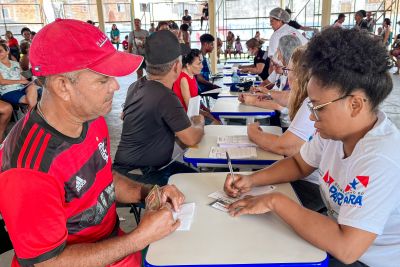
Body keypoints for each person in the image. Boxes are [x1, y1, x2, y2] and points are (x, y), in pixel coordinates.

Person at [0, 18, 185, 267]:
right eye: (102, 79)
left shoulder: (90, 117)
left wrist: (149, 192)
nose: (116, 85)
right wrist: (139, 238)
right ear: (63, 86)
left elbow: (102, 178)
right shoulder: (28, 168)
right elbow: (47, 263)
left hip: (115, 248)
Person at [224, 27, 399, 267]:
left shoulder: (380, 157)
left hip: (365, 260)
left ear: (355, 105)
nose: (312, 116)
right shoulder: (334, 133)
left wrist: (275, 201)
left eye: (318, 107)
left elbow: (347, 248)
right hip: (335, 236)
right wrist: (252, 180)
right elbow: (299, 163)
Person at [114, 30, 205, 186]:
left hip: (123, 172)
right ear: (177, 66)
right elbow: (191, 138)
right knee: (202, 185)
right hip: (144, 175)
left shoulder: (135, 85)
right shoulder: (165, 96)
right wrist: (200, 123)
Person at [245, 46, 323, 211]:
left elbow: (286, 147)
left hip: (311, 187)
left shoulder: (311, 103)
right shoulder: (309, 99)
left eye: (288, 69)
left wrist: (252, 133)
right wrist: (252, 179)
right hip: (308, 179)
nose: (287, 74)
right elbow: (297, 163)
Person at [239, 35, 302, 128]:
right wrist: (263, 94)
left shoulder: (295, 75)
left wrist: (253, 100)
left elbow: (284, 103)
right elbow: (279, 95)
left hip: (289, 125)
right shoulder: (285, 72)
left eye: (277, 64)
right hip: (283, 121)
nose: (272, 66)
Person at [173, 49, 220, 124]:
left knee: (218, 119)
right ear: (188, 65)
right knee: (217, 123)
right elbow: (190, 108)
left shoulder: (191, 74)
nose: (202, 66)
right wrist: (205, 113)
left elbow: (195, 100)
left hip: (194, 112)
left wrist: (206, 110)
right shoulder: (184, 79)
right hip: (187, 118)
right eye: (199, 63)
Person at [0, 43, 39, 109]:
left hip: (21, 88)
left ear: (7, 51)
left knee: (33, 86)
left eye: (0, 51)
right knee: (31, 100)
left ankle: (29, 115)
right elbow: (2, 82)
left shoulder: (15, 63)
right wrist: (21, 81)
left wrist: (34, 71)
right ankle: (30, 115)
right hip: (8, 91)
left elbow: (22, 77)